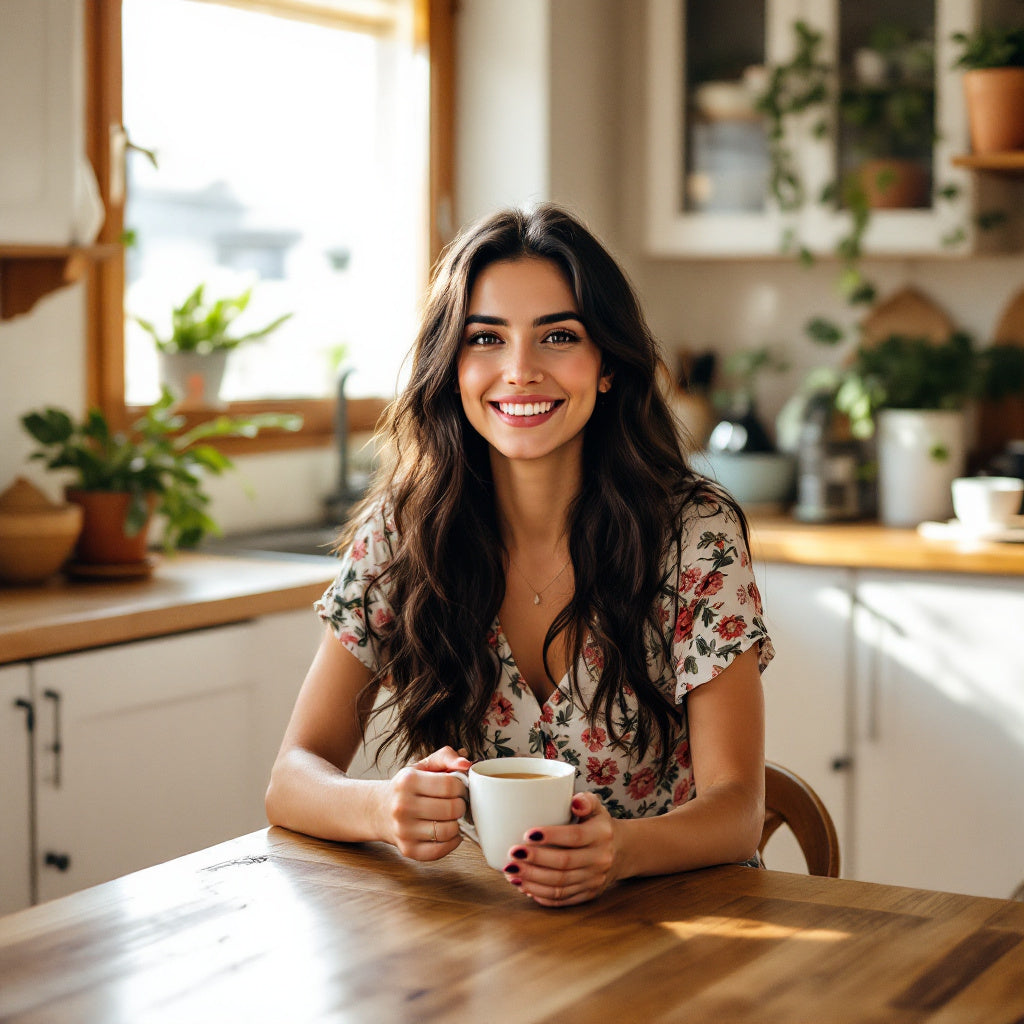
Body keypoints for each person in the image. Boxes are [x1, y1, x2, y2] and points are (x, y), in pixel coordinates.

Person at [265, 203, 773, 907]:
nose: (520, 370)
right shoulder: (402, 534)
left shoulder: (694, 535)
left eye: (558, 336)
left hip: (683, 927)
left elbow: (740, 808)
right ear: (453, 368)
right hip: (487, 933)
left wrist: (619, 851)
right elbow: (292, 778)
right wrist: (382, 808)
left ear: (607, 367)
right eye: (486, 339)